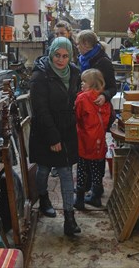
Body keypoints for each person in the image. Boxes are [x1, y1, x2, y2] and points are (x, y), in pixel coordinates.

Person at [28, 37, 81, 236]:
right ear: (51, 53)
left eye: (65, 56)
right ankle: (43, 198)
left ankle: (69, 218)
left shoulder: (75, 72)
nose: (61, 60)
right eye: (57, 55)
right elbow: (40, 110)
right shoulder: (40, 76)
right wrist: (53, 138)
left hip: (67, 130)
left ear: (70, 56)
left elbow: (75, 98)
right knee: (43, 170)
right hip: (45, 130)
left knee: (66, 172)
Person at [75, 30, 117, 207]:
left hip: (96, 113)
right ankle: (93, 189)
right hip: (90, 115)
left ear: (86, 44)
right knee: (94, 157)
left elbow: (113, 87)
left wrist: (104, 96)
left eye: (78, 44)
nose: (77, 47)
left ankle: (92, 191)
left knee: (89, 159)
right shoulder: (83, 60)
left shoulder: (103, 62)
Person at [74, 69, 111, 210]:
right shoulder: (104, 100)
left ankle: (79, 199)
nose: (81, 84)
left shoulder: (82, 98)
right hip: (99, 139)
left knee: (82, 168)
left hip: (84, 138)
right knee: (96, 168)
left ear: (92, 84)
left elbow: (77, 117)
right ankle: (96, 196)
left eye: (84, 82)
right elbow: (107, 119)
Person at [47, 21, 79, 178]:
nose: (58, 36)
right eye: (56, 34)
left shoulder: (74, 60)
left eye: (61, 33)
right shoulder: (46, 70)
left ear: (69, 33)